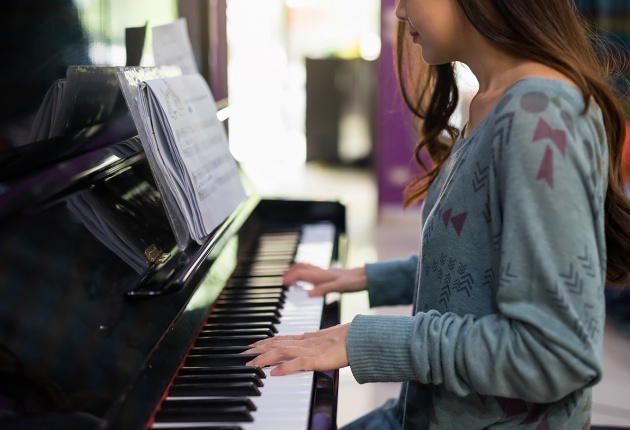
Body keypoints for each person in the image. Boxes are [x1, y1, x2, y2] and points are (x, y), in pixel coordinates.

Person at [245, 0, 630, 428]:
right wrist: (366, 278)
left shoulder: (540, 115)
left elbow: (556, 355)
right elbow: (482, 261)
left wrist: (367, 339)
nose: (401, 12)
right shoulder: (496, 101)